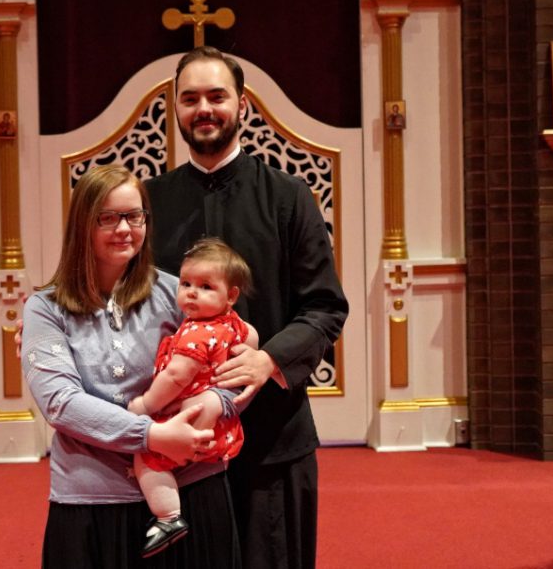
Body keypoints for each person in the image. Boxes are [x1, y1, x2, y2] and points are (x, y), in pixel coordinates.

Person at [145, 46, 349, 569]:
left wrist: (268, 360)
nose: (203, 109)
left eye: (217, 96)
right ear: (175, 108)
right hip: (177, 440)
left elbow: (325, 307)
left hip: (272, 439)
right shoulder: (149, 201)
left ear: (243, 105)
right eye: (189, 99)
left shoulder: (289, 196)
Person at [20, 164, 242, 568]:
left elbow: (234, 365)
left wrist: (216, 402)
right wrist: (151, 436)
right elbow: (61, 404)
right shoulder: (44, 308)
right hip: (92, 497)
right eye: (108, 217)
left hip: (190, 487)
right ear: (82, 224)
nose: (124, 229)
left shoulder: (179, 293)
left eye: (134, 216)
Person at [127, 237, 257, 558]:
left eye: (205, 286)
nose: (192, 292)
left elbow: (176, 376)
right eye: (186, 283)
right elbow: (251, 336)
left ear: (231, 296)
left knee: (145, 458)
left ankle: (168, 517)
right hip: (219, 425)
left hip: (189, 419)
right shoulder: (232, 323)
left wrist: (145, 405)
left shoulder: (198, 332)